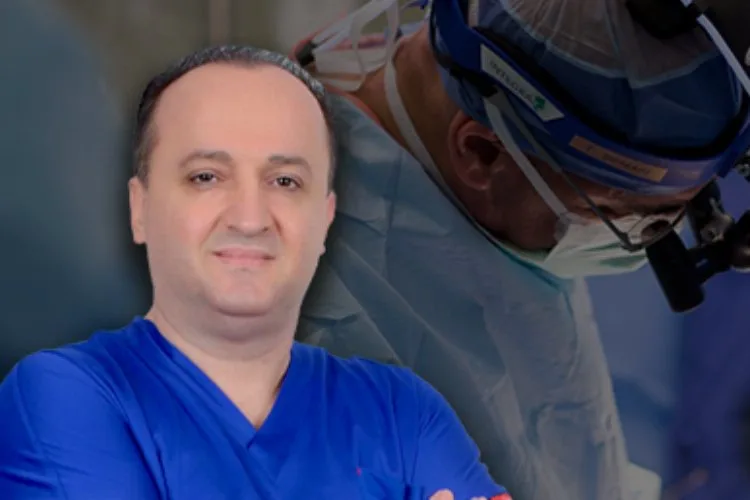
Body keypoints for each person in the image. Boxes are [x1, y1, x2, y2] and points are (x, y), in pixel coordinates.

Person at [0, 45, 511, 500]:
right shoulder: (66, 397)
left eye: (285, 181)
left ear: (325, 219)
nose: (249, 218)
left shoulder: (403, 414)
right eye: (206, 176)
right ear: (140, 208)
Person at [287, 0, 750, 499]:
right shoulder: (313, 336)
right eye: (623, 217)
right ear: (482, 153)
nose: (642, 243)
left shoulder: (482, 214)